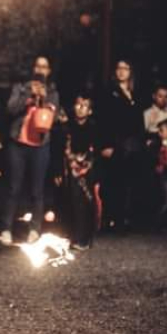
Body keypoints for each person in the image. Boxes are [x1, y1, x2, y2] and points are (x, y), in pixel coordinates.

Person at [0, 56, 60, 245]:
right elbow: (10, 109)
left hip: (40, 145)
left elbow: (53, 118)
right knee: (13, 188)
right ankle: (6, 229)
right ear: (33, 69)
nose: (40, 69)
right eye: (37, 66)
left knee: (37, 190)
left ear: (49, 71)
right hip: (18, 143)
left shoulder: (52, 91)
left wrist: (43, 99)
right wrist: (28, 97)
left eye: (44, 66)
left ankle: (35, 229)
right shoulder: (20, 87)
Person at [100, 60, 145, 230]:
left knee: (129, 182)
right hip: (115, 142)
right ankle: (111, 218)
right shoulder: (109, 92)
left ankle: (126, 218)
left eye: (125, 68)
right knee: (114, 181)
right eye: (119, 68)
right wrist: (105, 144)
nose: (121, 71)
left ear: (130, 71)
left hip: (132, 144)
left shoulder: (135, 93)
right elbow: (104, 119)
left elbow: (139, 120)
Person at [57, 96, 100, 250]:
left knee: (86, 202)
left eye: (85, 106)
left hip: (87, 169)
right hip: (69, 168)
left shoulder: (94, 127)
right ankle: (71, 236)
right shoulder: (67, 126)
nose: (80, 108)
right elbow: (60, 148)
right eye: (78, 104)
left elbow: (95, 150)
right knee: (71, 201)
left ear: (90, 111)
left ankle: (84, 238)